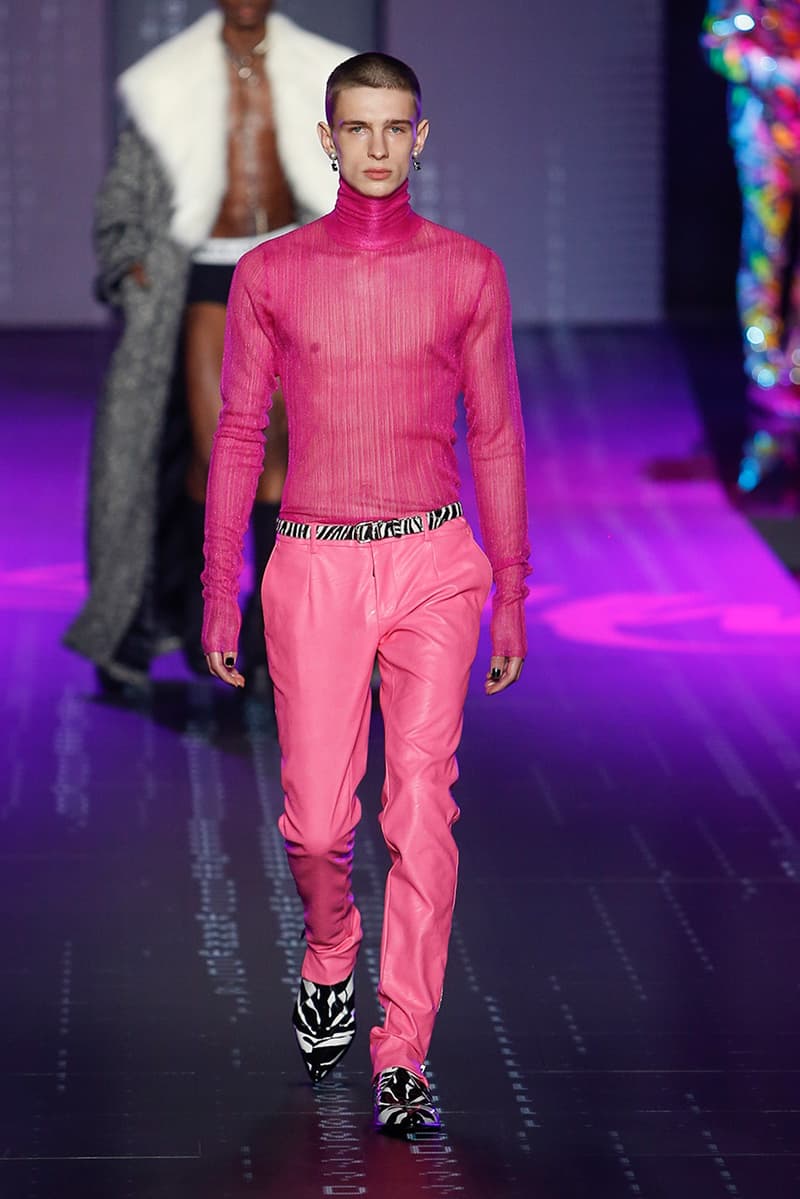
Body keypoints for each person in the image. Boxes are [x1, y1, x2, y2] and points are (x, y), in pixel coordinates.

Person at [202, 52, 530, 1134]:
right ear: (328, 138)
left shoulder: (469, 272)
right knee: (314, 825)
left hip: (435, 562)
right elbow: (239, 432)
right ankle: (332, 941)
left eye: (397, 128)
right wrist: (219, 586)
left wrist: (512, 586)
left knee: (421, 811)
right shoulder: (272, 274)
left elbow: (495, 435)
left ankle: (403, 1051)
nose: (379, 147)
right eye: (359, 128)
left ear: (420, 138)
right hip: (314, 563)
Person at [63, 1, 352, 689]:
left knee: (282, 459)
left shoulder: (318, 72)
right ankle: (200, 614)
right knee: (213, 448)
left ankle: (274, 628)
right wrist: (129, 257)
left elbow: (362, 166)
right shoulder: (173, 79)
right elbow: (125, 187)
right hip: (206, 272)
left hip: (289, 263)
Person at [703, 1, 800, 417]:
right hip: (763, 128)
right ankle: (763, 369)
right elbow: (716, 42)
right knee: (766, 249)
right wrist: (776, 72)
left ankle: (797, 365)